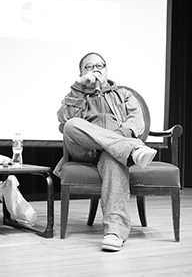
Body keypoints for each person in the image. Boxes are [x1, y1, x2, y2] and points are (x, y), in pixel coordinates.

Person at [54, 52, 157, 252]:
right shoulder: (77, 94)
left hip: (111, 154)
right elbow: (64, 118)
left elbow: (137, 120)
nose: (96, 70)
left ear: (106, 70)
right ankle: (132, 150)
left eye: (100, 66)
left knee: (113, 158)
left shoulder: (123, 94)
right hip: (84, 150)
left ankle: (115, 232)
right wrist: (78, 88)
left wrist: (115, 139)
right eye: (89, 67)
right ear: (81, 73)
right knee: (72, 124)